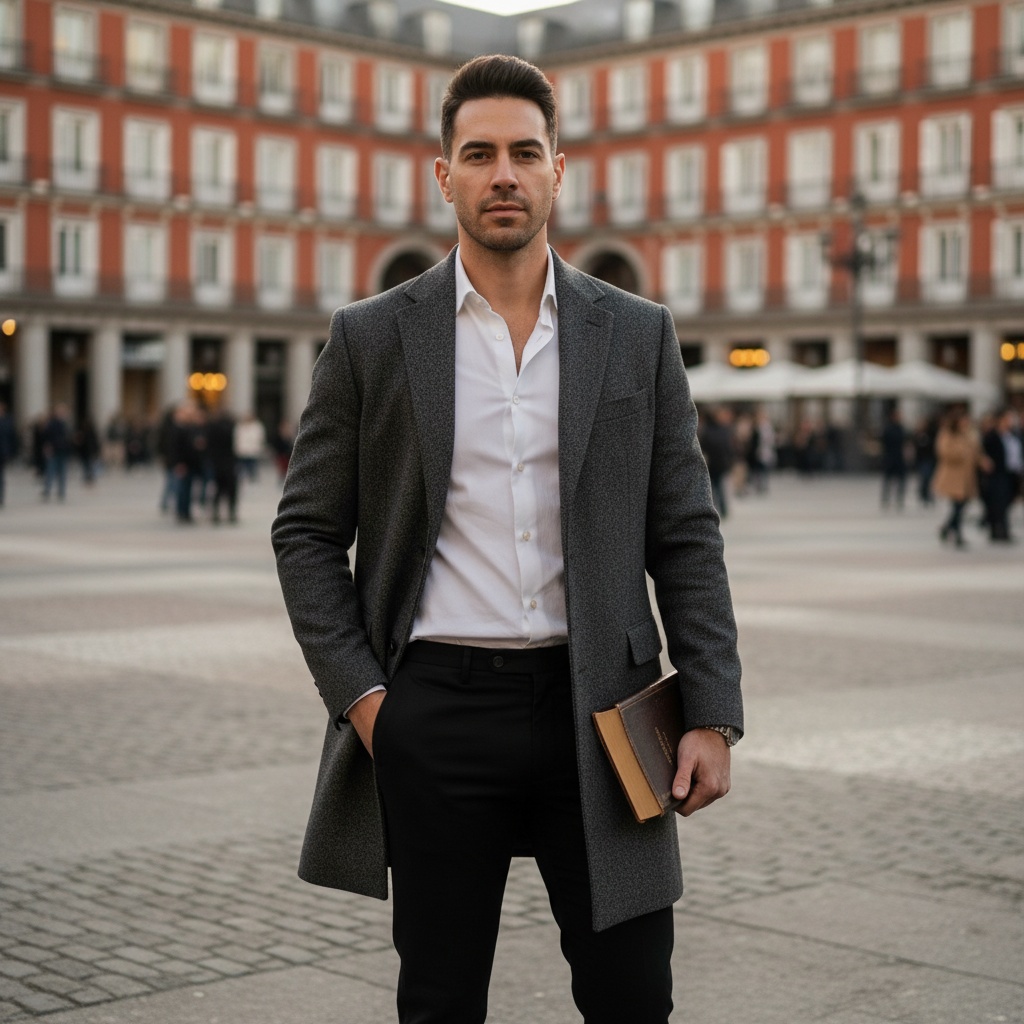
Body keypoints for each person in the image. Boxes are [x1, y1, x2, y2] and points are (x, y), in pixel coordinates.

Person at [272, 54, 742, 1024]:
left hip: (608, 711)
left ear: (558, 170)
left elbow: (686, 532)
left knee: (632, 997)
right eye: (478, 153)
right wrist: (370, 705)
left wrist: (713, 711)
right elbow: (306, 531)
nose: (504, 175)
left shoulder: (637, 332)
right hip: (436, 708)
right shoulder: (370, 337)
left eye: (525, 153)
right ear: (441, 174)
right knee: (439, 1000)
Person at [933, 409, 987, 549]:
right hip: (953, 476)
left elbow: (976, 451)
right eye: (963, 420)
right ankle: (956, 534)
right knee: (958, 505)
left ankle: (947, 528)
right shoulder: (947, 434)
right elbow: (944, 452)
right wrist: (961, 453)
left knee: (961, 505)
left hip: (967, 476)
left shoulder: (969, 434)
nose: (966, 423)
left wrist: (982, 461)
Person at [982, 408, 1023, 543]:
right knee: (999, 501)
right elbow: (982, 452)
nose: (1010, 422)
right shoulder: (991, 436)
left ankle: (998, 529)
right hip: (997, 474)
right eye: (1007, 418)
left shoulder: (1013, 435)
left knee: (1008, 500)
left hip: (1012, 473)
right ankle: (1001, 530)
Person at [41, 404, 72, 501]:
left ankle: (61, 492)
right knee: (50, 472)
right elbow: (45, 436)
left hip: (62, 450)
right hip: (54, 450)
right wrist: (47, 446)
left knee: (62, 473)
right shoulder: (51, 424)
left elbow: (67, 438)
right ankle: (47, 490)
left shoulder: (65, 424)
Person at [879, 407, 907, 509]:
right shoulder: (888, 429)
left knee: (901, 480)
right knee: (887, 480)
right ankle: (885, 499)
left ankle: (899, 499)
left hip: (899, 458)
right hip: (890, 458)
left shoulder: (901, 428)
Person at [0, 401, 15, 507]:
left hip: (2, 452)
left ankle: (1, 498)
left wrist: (11, 452)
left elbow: (12, 437)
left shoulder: (8, 421)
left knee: (1, 476)